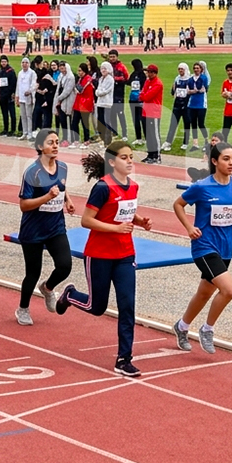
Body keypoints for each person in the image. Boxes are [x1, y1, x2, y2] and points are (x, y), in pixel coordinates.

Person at [54, 140, 153, 378]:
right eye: (124, 157)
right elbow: (86, 220)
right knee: (97, 307)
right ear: (112, 162)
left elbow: (124, 208)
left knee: (127, 306)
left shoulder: (133, 186)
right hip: (99, 254)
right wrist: (114, 229)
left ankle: (124, 358)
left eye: (131, 157)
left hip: (125, 254)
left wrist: (139, 220)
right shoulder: (102, 187)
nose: (130, 161)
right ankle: (69, 295)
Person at [172, 142, 232, 354]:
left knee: (204, 293)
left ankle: (182, 327)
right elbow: (178, 204)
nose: (231, 163)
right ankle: (207, 329)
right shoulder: (202, 187)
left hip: (225, 249)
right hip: (204, 247)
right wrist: (189, 227)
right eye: (226, 159)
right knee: (228, 290)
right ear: (214, 161)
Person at [14, 129, 77, 326]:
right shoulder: (33, 172)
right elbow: (24, 205)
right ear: (41, 147)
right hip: (33, 230)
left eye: (57, 142)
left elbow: (61, 188)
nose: (56, 146)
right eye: (51, 142)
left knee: (65, 265)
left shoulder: (64, 167)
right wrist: (47, 197)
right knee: (32, 273)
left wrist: (68, 200)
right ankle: (23, 308)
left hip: (55, 227)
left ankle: (48, 288)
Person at [140, 64, 164, 163]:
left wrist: (143, 94)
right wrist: (143, 94)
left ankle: (157, 155)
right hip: (146, 111)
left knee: (154, 134)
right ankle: (150, 154)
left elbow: (146, 96)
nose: (148, 73)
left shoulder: (158, 84)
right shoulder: (147, 81)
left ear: (154, 73)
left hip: (154, 112)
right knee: (148, 135)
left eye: (149, 72)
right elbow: (142, 93)